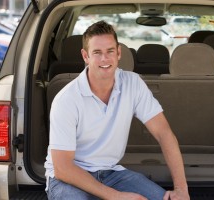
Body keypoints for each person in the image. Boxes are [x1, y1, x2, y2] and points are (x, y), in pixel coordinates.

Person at [44, 20, 190, 200]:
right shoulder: (67, 99)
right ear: (85, 56)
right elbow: (63, 168)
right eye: (97, 52)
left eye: (110, 51)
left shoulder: (133, 83)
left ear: (119, 52)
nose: (104, 59)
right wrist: (115, 196)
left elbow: (164, 133)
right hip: (69, 179)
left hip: (112, 173)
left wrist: (181, 189)